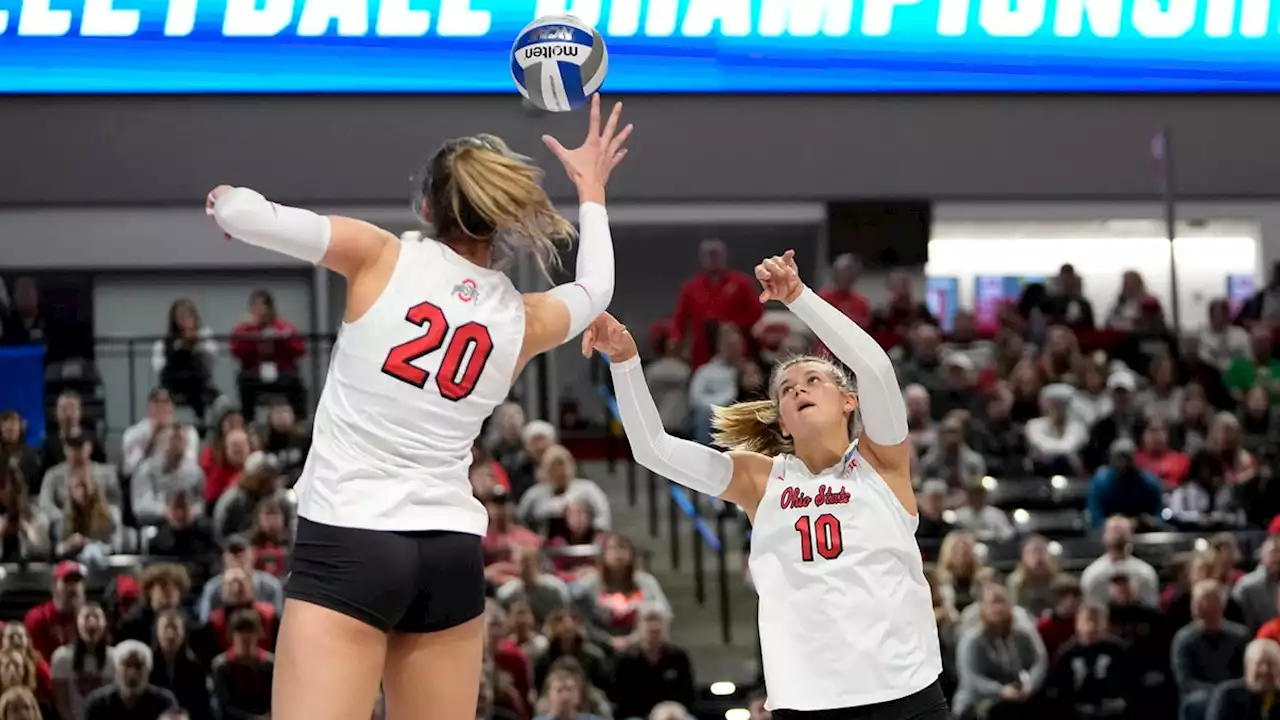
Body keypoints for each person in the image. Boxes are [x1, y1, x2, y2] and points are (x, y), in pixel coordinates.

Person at [206, 95, 630, 720]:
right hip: (450, 554)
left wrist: (223, 199)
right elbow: (596, 290)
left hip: (349, 541)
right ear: (499, 219)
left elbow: (245, 213)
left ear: (427, 208)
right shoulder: (520, 316)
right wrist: (590, 188)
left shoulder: (379, 254)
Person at [582, 249, 946, 718]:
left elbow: (874, 367)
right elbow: (654, 450)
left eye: (813, 379)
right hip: (806, 701)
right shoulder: (762, 478)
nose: (797, 389)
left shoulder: (882, 463)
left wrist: (799, 297)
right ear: (784, 423)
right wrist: (625, 360)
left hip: (905, 692)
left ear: (849, 401)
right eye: (787, 390)